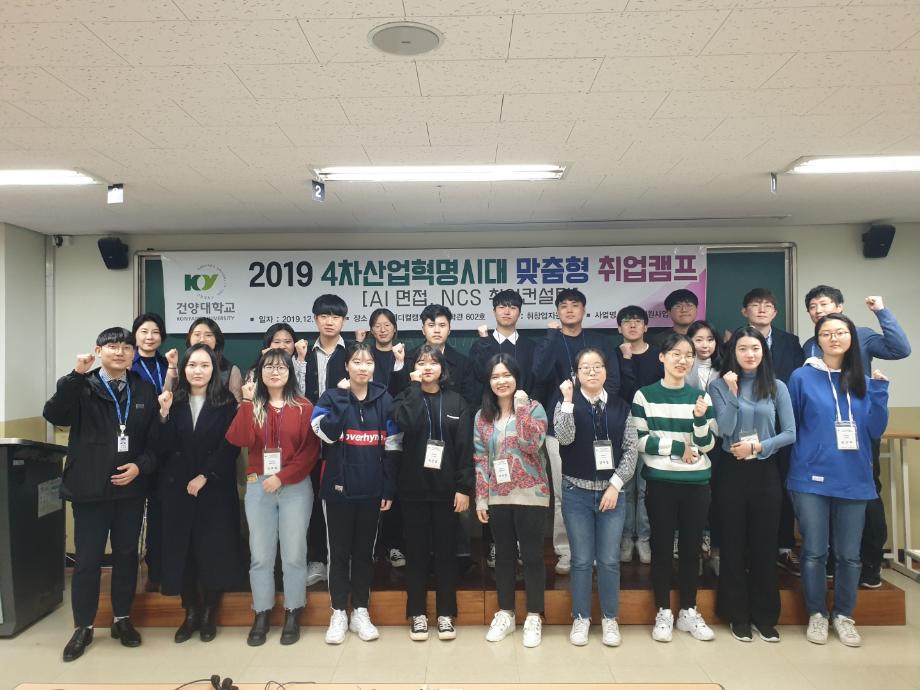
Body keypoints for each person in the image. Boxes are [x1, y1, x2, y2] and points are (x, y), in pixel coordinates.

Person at [43, 327, 160, 662]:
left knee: (126, 556)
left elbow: (155, 441)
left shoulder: (143, 389)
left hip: (130, 489)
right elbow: (54, 414)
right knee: (88, 560)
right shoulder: (82, 385)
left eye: (126, 347)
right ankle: (84, 626)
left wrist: (140, 466)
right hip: (89, 488)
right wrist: (76, 374)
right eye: (113, 346)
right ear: (98, 351)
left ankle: (122, 619)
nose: (120, 352)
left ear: (133, 354)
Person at [787, 313, 889, 647]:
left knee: (849, 554)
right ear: (817, 340)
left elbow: (874, 429)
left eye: (841, 332)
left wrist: (880, 392)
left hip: (854, 478)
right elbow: (793, 424)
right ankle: (817, 614)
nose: (834, 338)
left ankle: (844, 615)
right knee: (814, 551)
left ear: (851, 338)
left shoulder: (863, 378)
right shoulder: (802, 376)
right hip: (810, 477)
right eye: (826, 333)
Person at [800, 287, 909, 588]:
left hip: (858, 430)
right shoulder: (810, 345)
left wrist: (881, 312)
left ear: (840, 306)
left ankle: (870, 563)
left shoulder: (860, 334)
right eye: (813, 306)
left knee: (866, 494)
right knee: (827, 495)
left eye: (824, 304)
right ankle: (834, 560)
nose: (819, 310)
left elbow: (900, 349)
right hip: (823, 434)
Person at [226, 348, 320, 647]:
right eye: (268, 367)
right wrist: (245, 402)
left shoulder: (304, 407)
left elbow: (310, 452)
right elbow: (238, 439)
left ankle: (293, 611)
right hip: (259, 486)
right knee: (261, 556)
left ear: (290, 372)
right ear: (260, 373)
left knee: (294, 554)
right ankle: (262, 612)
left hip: (295, 487)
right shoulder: (253, 405)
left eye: (281, 367)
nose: (275, 372)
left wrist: (282, 476)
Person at [709, 327, 795, 643]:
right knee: (732, 544)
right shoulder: (719, 386)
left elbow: (790, 433)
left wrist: (758, 447)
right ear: (733, 353)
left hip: (764, 470)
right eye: (743, 348)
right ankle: (737, 615)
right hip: (731, 471)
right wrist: (732, 393)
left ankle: (765, 616)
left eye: (755, 348)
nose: (750, 354)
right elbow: (725, 429)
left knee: (764, 544)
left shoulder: (776, 386)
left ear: (764, 352)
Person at [311, 341, 400, 645]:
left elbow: (393, 447)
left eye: (368, 362)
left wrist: (388, 486)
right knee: (338, 554)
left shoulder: (384, 399)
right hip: (337, 491)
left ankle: (360, 610)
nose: (363, 367)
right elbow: (326, 434)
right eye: (357, 362)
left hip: (372, 491)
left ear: (374, 366)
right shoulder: (330, 397)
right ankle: (338, 612)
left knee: (364, 554)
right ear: (346, 366)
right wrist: (343, 398)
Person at [633, 333, 717, 643]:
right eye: (676, 354)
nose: (683, 360)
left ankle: (688, 611)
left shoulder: (700, 397)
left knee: (691, 549)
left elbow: (707, 444)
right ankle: (663, 611)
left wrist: (699, 419)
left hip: (696, 483)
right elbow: (640, 440)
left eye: (688, 355)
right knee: (662, 548)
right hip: (661, 482)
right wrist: (678, 447)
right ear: (662, 357)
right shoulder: (645, 395)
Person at [156, 344, 243, 644]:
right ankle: (190, 611)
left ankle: (209, 612)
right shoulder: (173, 401)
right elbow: (161, 446)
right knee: (184, 551)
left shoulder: (226, 403)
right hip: (178, 489)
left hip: (214, 488)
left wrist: (205, 475)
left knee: (213, 550)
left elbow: (230, 446)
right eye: (192, 365)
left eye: (205, 365)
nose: (198, 371)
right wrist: (163, 414)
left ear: (213, 370)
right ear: (184, 369)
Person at [552, 348, 637, 647]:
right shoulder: (566, 404)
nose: (591, 371)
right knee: (581, 560)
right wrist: (567, 401)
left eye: (597, 366)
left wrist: (615, 485)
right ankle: (581, 617)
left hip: (612, 494)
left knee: (610, 560)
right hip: (576, 493)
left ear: (605, 371)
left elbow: (631, 450)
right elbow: (564, 438)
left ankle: (610, 618)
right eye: (585, 367)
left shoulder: (621, 406)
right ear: (576, 374)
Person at [391, 345, 474, 641]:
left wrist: (464, 488)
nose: (427, 367)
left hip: (447, 491)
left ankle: (445, 614)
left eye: (433, 362)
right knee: (415, 555)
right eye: (421, 362)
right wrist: (413, 388)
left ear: (442, 368)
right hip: (413, 490)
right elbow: (409, 423)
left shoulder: (457, 402)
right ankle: (418, 613)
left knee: (446, 554)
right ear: (414, 368)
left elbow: (465, 448)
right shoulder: (404, 397)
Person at [534, 287, 618, 576]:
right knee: (563, 494)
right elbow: (539, 374)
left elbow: (614, 382)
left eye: (575, 305)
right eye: (564, 306)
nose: (569, 310)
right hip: (559, 426)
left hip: (597, 425)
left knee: (599, 489)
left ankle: (594, 550)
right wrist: (551, 336)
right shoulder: (550, 341)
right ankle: (566, 551)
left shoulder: (599, 341)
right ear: (557, 311)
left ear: (584, 309)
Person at [475, 354, 549, 648]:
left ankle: (534, 615)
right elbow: (481, 459)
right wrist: (481, 499)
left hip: (532, 495)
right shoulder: (482, 417)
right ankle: (505, 612)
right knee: (503, 557)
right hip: (498, 496)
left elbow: (532, 444)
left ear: (516, 378)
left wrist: (520, 408)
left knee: (532, 557)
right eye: (495, 376)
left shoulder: (534, 408)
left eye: (506, 375)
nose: (501, 381)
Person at [468, 289, 537, 568]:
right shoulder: (480, 344)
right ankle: (494, 545)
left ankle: (519, 546)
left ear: (519, 311)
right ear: (494, 310)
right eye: (501, 306)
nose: (507, 311)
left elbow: (536, 380)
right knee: (492, 481)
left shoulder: (530, 346)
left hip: (523, 424)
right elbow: (476, 378)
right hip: (491, 421)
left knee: (521, 480)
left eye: (512, 307)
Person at [739, 288, 805, 575]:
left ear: (776, 312)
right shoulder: (736, 341)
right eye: (755, 305)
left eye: (768, 305)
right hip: (744, 429)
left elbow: (797, 381)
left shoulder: (791, 342)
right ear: (745, 311)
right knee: (746, 491)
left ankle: (784, 547)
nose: (762, 309)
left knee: (783, 484)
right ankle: (748, 549)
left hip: (782, 427)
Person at [296, 294, 350, 588]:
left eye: (335, 317)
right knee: (312, 499)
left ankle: (340, 560)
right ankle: (316, 560)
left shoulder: (352, 353)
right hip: (306, 439)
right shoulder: (302, 353)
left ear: (344, 321)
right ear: (315, 319)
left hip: (341, 439)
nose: (330, 322)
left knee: (340, 500)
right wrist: (300, 362)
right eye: (324, 316)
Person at [130, 312, 178, 593]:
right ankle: (140, 571)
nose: (150, 337)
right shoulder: (128, 363)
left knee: (161, 513)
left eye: (155, 332)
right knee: (134, 512)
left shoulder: (166, 364)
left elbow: (175, 396)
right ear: (135, 335)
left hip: (166, 444)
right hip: (137, 446)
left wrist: (172, 370)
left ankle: (159, 570)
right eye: (144, 331)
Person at [358, 308, 407, 569]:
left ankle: (394, 545)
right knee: (368, 488)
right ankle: (371, 547)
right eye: (377, 325)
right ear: (371, 329)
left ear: (395, 328)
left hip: (396, 431)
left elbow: (406, 392)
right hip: (366, 430)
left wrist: (400, 364)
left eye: (387, 324)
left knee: (394, 489)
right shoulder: (365, 356)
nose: (383, 329)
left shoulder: (404, 355)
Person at [616, 305, 662, 565]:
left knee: (645, 489)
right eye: (626, 321)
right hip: (621, 429)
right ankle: (625, 538)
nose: (632, 325)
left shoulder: (658, 355)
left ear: (646, 326)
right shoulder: (614, 354)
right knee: (624, 487)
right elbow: (622, 392)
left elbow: (648, 394)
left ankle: (643, 538)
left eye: (637, 321)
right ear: (619, 328)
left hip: (651, 429)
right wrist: (625, 360)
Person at [686, 320, 723, 566]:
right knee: (692, 493)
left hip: (718, 439)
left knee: (716, 493)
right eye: (698, 339)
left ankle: (712, 541)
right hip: (689, 438)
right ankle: (691, 544)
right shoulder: (682, 366)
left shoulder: (725, 368)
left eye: (710, 339)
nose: (705, 345)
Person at [186, 317, 242, 401]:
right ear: (189, 339)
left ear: (217, 340)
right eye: (197, 334)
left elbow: (237, 404)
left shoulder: (231, 370)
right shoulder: (181, 368)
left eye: (208, 335)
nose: (202, 340)